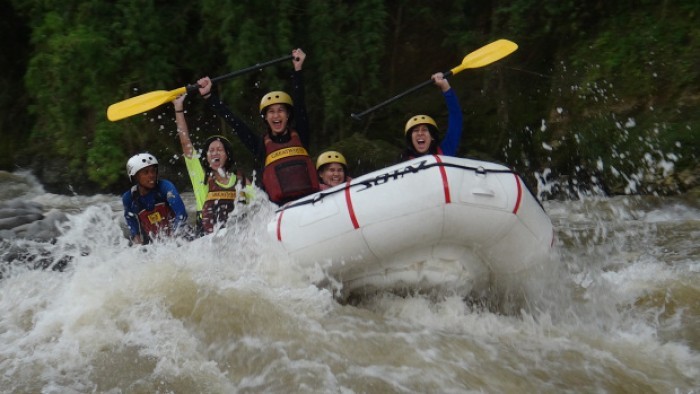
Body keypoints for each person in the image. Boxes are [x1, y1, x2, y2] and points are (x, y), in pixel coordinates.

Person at [197, 48, 319, 205]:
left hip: (311, 202)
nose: (276, 116)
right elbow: (235, 123)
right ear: (266, 118)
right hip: (281, 210)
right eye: (271, 112)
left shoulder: (301, 135)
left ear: (288, 115)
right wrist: (209, 96)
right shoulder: (260, 145)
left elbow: (300, 104)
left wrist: (298, 69)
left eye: (281, 111)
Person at [172, 94, 251, 235]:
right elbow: (185, 143)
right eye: (211, 150)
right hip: (207, 240)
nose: (215, 153)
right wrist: (178, 108)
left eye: (219, 150)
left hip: (236, 237)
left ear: (227, 156)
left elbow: (262, 206)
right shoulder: (201, 178)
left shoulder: (241, 180)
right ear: (206, 157)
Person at [121, 153, 188, 245]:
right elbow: (130, 219)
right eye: (146, 172)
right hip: (152, 243)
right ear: (135, 176)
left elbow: (181, 213)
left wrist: (175, 236)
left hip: (179, 237)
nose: (151, 175)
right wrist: (135, 237)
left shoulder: (165, 186)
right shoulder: (129, 198)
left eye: (153, 171)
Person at [399, 72, 463, 161]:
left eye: (424, 130)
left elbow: (456, 119)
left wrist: (445, 88)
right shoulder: (403, 162)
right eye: (415, 130)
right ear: (411, 139)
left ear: (432, 137)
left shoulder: (445, 151)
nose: (420, 133)